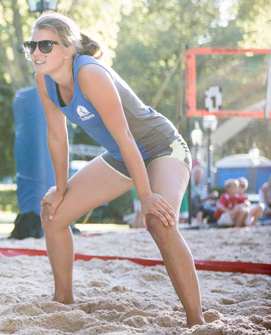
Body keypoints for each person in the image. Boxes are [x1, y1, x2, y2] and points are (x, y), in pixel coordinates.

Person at [28, 12, 204, 326]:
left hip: (161, 147)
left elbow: (125, 136)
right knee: (52, 214)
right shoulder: (44, 79)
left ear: (69, 48)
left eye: (45, 45)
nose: (36, 52)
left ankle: (197, 321)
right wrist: (61, 189)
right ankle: (64, 299)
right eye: (32, 45)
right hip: (122, 156)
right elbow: (57, 136)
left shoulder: (90, 74)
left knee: (158, 221)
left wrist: (146, 195)